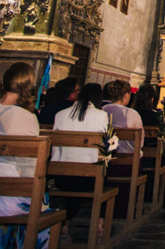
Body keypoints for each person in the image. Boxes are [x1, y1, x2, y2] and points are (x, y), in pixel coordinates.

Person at [0, 63, 50, 249]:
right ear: (28, 87)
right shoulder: (27, 118)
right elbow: (31, 167)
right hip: (10, 198)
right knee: (45, 204)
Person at [52, 83, 109, 226]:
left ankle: (67, 218)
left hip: (61, 177)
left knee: (75, 169)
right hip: (89, 177)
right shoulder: (101, 116)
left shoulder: (60, 115)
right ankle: (100, 221)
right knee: (101, 171)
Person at [102, 79, 142, 153]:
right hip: (128, 158)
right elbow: (140, 142)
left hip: (105, 155)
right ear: (126, 95)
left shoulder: (102, 110)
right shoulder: (133, 114)